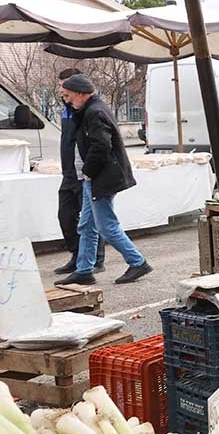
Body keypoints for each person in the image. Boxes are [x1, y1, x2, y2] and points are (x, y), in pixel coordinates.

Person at [55, 74, 153, 286]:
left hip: (100, 177)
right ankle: (84, 270)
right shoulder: (89, 110)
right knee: (87, 225)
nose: (67, 100)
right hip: (94, 177)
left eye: (69, 96)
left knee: (106, 225)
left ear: (81, 94)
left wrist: (88, 172)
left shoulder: (95, 112)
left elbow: (101, 146)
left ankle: (137, 261)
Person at [53, 68, 106, 276]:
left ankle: (97, 259)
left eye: (65, 87)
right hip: (68, 172)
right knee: (65, 215)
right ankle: (77, 255)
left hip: (83, 172)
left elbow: (97, 143)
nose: (62, 91)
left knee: (91, 219)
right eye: (61, 86)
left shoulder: (87, 109)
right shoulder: (68, 108)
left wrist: (88, 171)